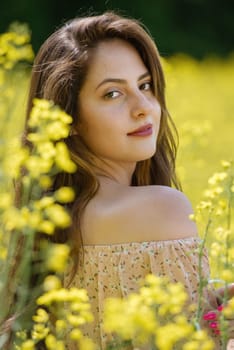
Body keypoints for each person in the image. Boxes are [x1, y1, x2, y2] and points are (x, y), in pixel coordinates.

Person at [25, 11, 233, 349]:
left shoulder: (49, 221)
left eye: (145, 85)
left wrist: (205, 314)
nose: (143, 107)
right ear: (69, 117)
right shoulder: (163, 209)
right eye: (112, 94)